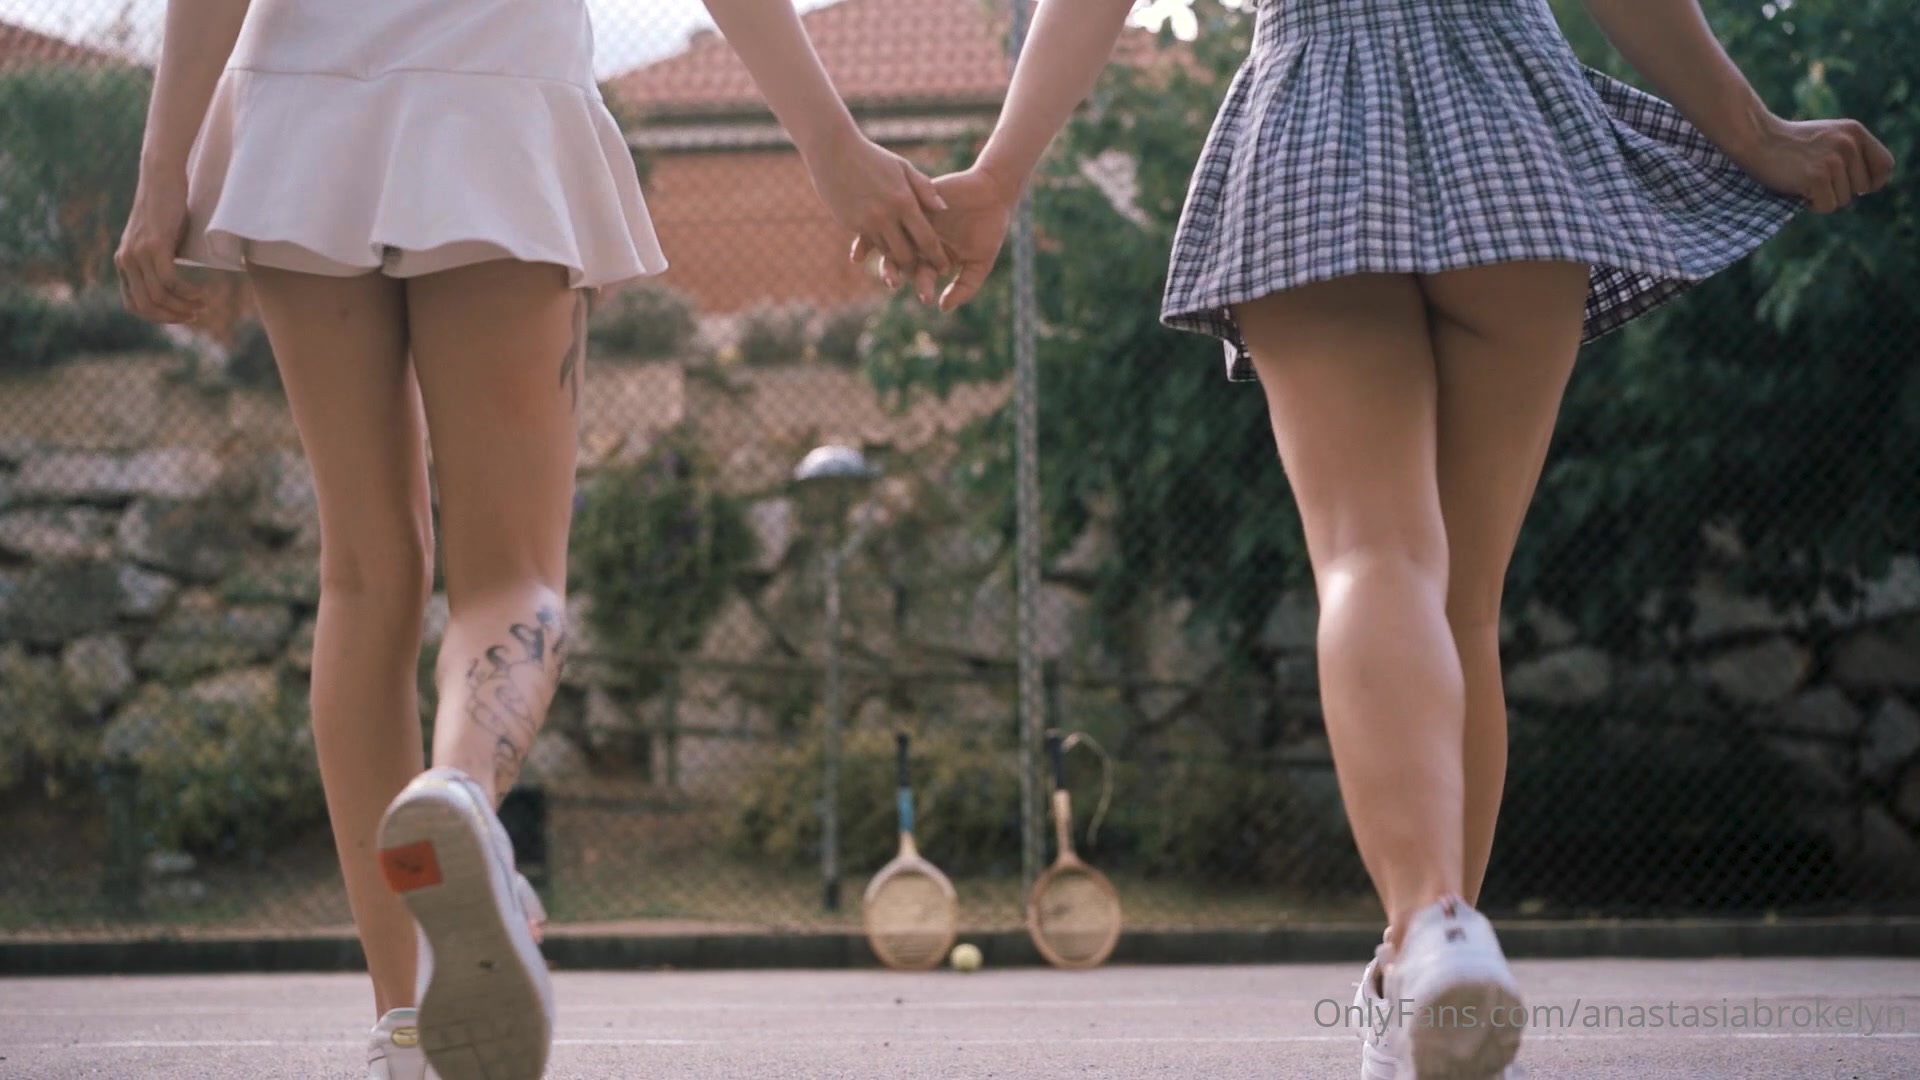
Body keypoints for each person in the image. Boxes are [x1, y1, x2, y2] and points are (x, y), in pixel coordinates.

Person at [877, 0, 1894, 1076]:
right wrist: (1755, 133)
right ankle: (1433, 957)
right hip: (1507, 112)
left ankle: (1426, 932)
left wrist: (1000, 174)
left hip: (1313, 115)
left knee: (1377, 558)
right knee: (1463, 607)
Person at [114, 1, 951, 1077]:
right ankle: (460, 796)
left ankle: (407, 1021)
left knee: (365, 575)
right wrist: (830, 144)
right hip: (494, 91)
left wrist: (162, 172)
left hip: (302, 103)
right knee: (510, 577)